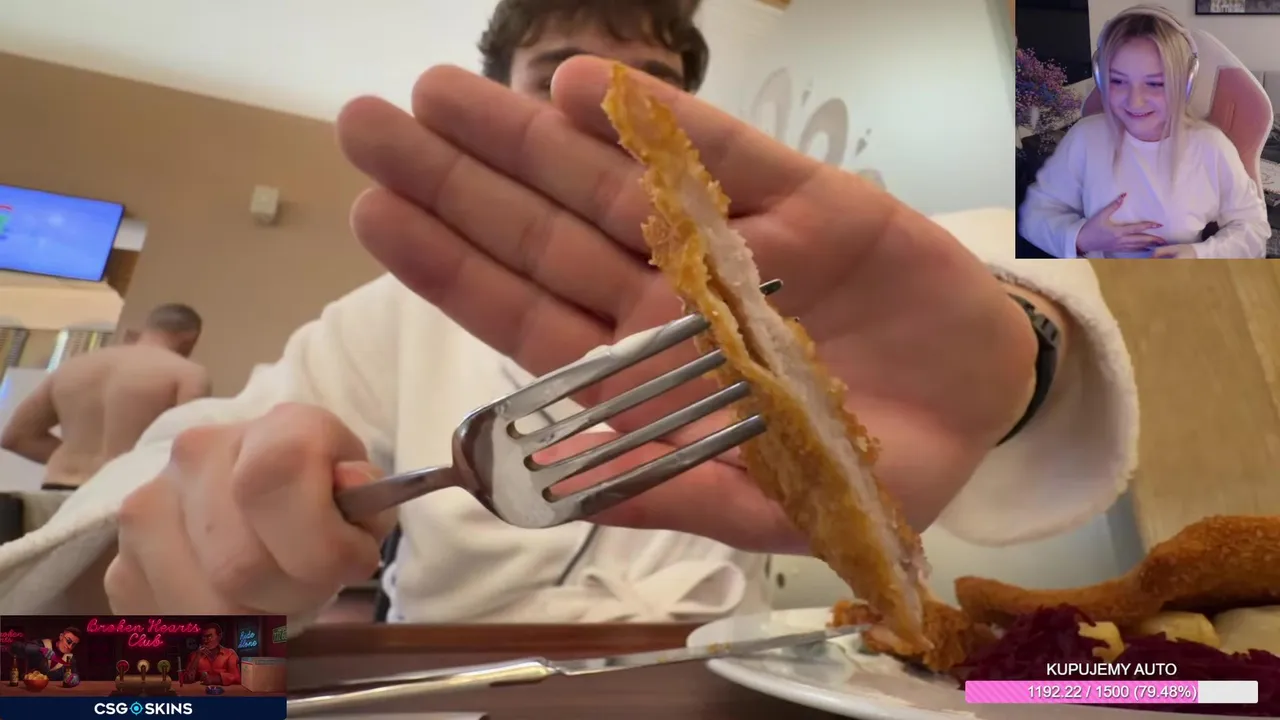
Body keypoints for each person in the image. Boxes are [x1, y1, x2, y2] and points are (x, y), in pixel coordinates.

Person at [0, 0, 1136, 625]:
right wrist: (205, 543)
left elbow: (987, 300)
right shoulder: (384, 319)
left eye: (650, 81)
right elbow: (146, 500)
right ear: (500, 99)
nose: (598, 107)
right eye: (554, 69)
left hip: (719, 678)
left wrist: (1022, 356)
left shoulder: (773, 291)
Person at [1019, 5, 1269, 259]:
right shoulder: (1086, 138)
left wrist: (1199, 255)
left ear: (1184, 83)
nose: (1134, 100)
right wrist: (1080, 237)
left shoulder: (1211, 148)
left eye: (1155, 83)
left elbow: (1254, 229)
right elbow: (1034, 215)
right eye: (1118, 80)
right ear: (1101, 79)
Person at [0, 303, 210, 491]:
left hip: (58, 485)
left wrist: (71, 457)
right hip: (121, 490)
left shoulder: (73, 367)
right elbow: (188, 448)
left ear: (147, 329)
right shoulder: (188, 374)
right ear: (190, 339)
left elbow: (15, 437)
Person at [7, 626, 80, 684]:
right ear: (61, 636)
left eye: (73, 645)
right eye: (68, 641)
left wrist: (75, 678)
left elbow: (74, 675)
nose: (70, 646)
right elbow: (13, 648)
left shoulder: (70, 659)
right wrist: (39, 649)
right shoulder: (42, 644)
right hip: (31, 689)